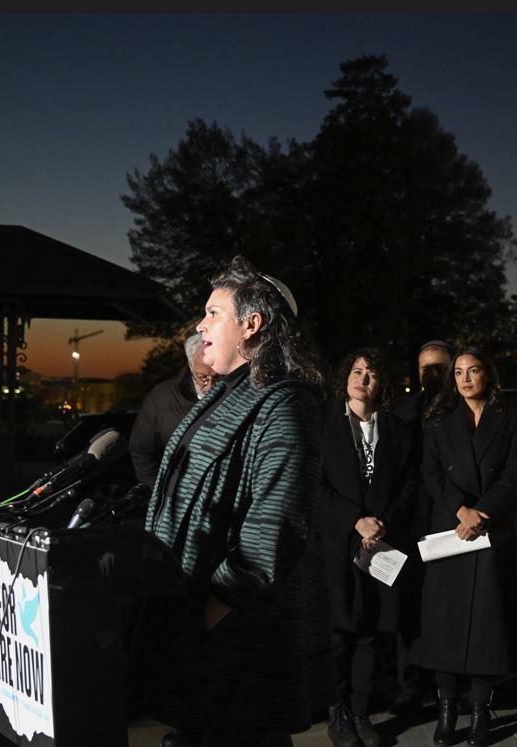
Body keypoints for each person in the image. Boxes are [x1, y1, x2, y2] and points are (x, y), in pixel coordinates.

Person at [141, 255, 333, 746]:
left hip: (239, 651)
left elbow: (271, 537)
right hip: (199, 641)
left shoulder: (286, 405)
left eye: (212, 313)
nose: (200, 325)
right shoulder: (227, 394)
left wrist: (205, 619)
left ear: (252, 324)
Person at [415, 346, 517, 746]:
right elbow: (430, 474)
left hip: (490, 531)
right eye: (459, 371)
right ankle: (447, 709)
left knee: (487, 624)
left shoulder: (513, 418)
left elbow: (516, 476)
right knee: (444, 623)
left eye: (474, 370)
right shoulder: (438, 420)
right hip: (450, 532)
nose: (465, 378)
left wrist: (481, 513)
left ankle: (481, 708)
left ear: (488, 376)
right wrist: (461, 510)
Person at [321, 348, 420, 747]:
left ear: (382, 384)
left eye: (372, 373)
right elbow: (314, 484)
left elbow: (411, 482)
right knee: (338, 632)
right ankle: (337, 712)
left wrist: (383, 522)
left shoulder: (397, 429)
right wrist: (354, 519)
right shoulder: (323, 425)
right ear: (345, 377)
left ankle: (361, 712)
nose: (363, 378)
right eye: (357, 370)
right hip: (336, 542)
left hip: (380, 544)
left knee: (370, 632)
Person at [388, 339, 454, 713]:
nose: (432, 376)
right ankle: (411, 682)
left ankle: (449, 682)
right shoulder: (402, 413)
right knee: (409, 605)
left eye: (439, 368)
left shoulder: (462, 410)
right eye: (425, 368)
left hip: (450, 520)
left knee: (449, 605)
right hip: (410, 523)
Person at [129, 333, 217, 488]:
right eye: (202, 377)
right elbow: (141, 452)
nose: (210, 386)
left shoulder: (236, 394)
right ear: (190, 365)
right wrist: (164, 492)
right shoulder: (161, 398)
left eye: (217, 378)